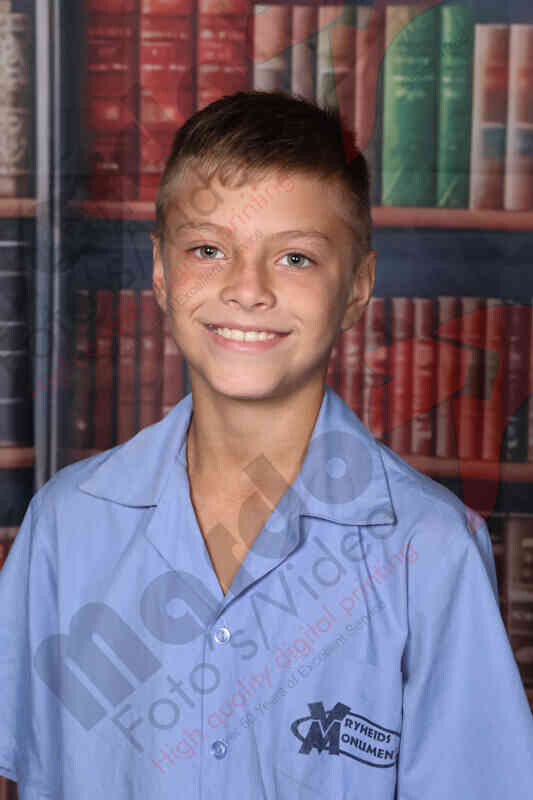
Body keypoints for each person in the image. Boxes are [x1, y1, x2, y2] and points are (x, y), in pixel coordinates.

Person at [1, 90, 532, 800]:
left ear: (357, 287)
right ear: (160, 271)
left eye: (294, 258)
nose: (246, 289)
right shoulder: (65, 525)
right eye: (208, 250)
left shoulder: (429, 549)